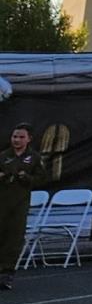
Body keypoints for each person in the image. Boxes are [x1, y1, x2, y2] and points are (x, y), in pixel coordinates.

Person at [0, 123, 48, 288]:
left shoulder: (34, 158)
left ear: (29, 139)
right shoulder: (3, 156)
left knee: (14, 238)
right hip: (2, 201)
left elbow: (41, 179)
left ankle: (6, 274)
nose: (17, 140)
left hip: (19, 203)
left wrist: (25, 177)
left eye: (21, 137)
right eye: (14, 136)